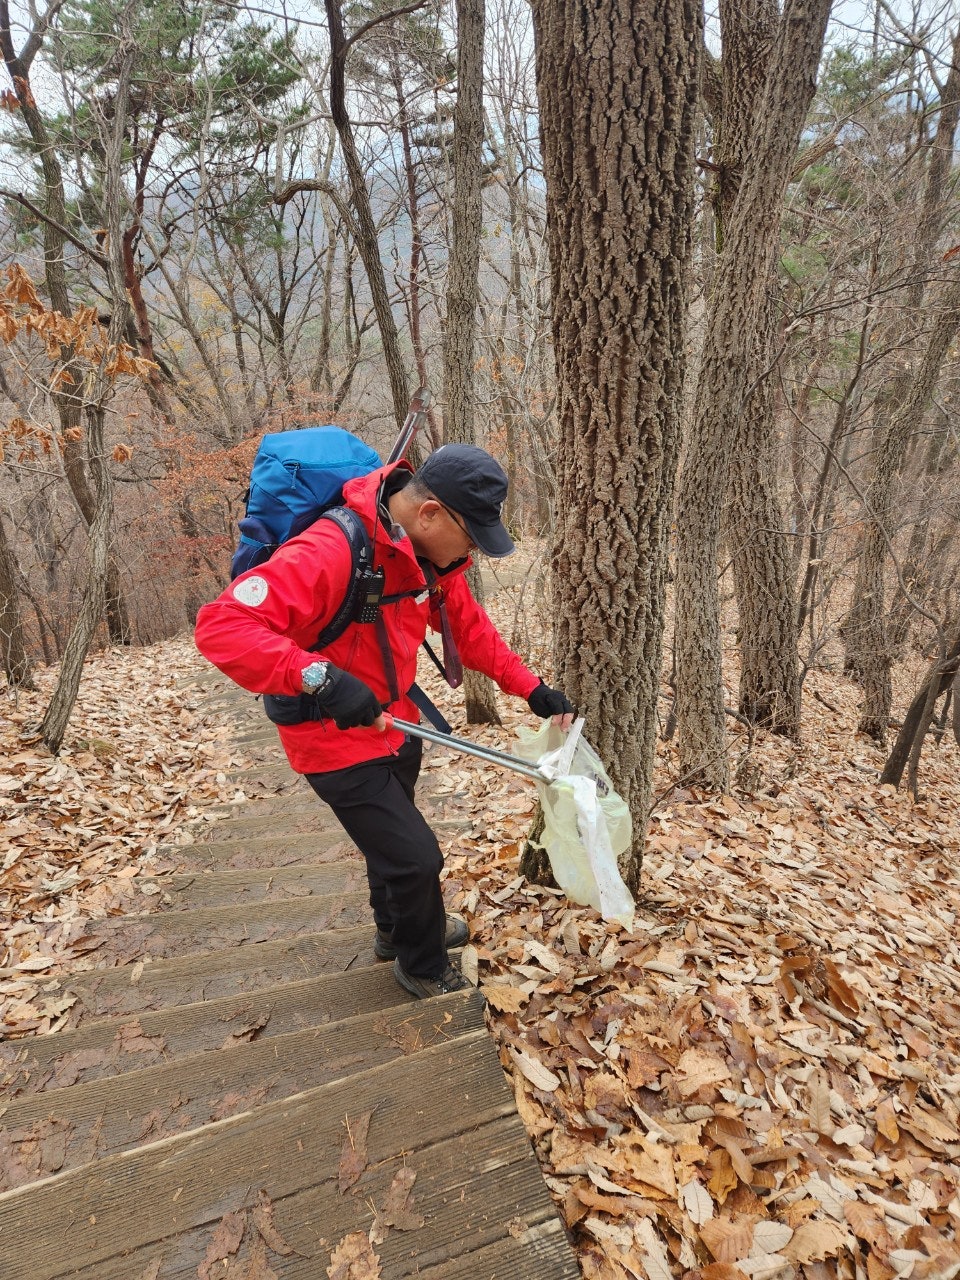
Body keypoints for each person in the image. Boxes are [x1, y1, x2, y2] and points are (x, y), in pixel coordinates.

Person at [195, 443, 573, 999]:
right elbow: (221, 626)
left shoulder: (428, 557)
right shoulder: (331, 549)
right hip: (329, 736)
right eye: (471, 537)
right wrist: (318, 677)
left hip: (396, 723)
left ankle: (395, 931)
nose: (472, 550)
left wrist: (530, 688)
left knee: (392, 852)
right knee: (417, 857)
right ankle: (421, 964)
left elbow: (468, 628)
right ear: (430, 513)